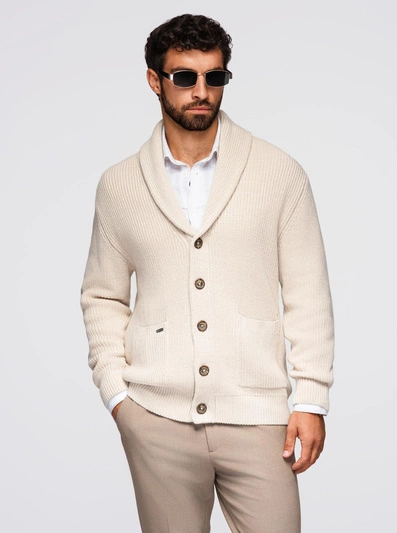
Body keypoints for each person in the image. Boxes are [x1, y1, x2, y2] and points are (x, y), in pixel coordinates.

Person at [80, 13, 335, 533]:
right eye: (184, 77)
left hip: (259, 416)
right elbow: (102, 295)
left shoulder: (279, 174)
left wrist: (310, 398)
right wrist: (118, 397)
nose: (201, 91)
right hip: (156, 416)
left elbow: (308, 292)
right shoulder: (119, 185)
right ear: (155, 80)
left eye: (214, 77)